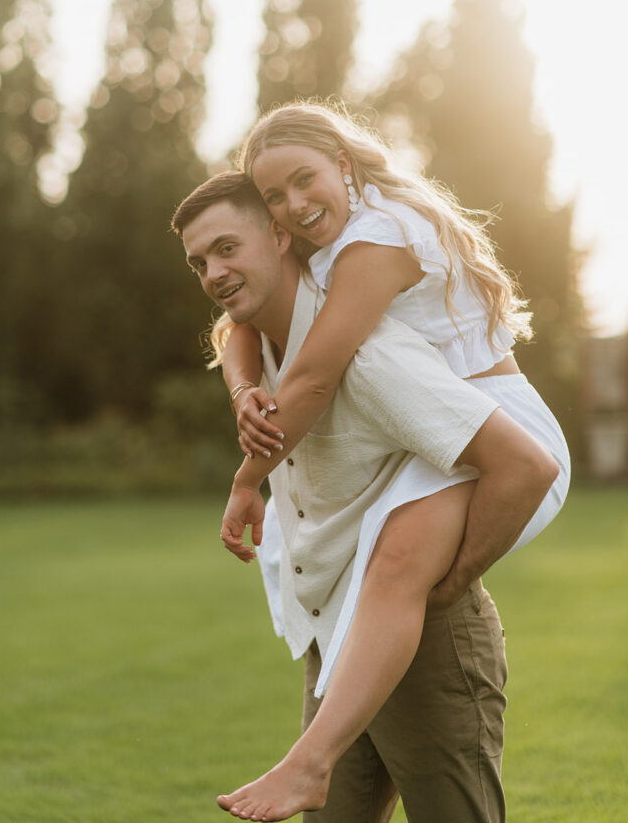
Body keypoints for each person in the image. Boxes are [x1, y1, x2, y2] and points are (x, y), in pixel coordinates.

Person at [172, 171, 564, 823]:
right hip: (338, 645)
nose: (212, 272)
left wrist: (457, 574)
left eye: (226, 248)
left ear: (278, 235)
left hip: (431, 638)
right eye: (198, 262)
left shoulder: (371, 357)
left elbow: (526, 466)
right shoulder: (262, 357)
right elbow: (244, 345)